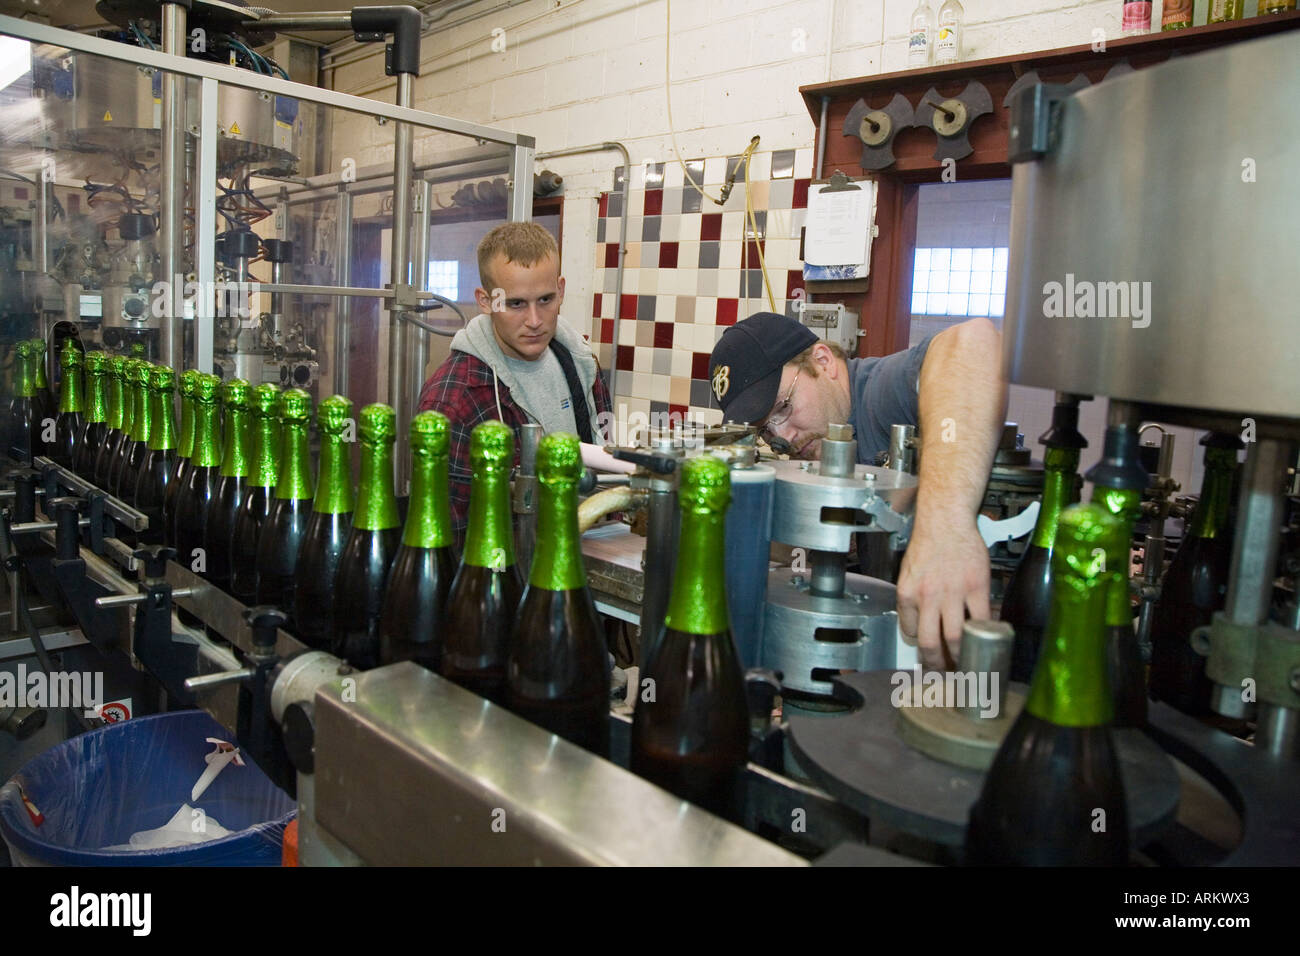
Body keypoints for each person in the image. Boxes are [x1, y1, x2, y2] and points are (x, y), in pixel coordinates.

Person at [708, 311, 1007, 670]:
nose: (782, 438)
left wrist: (945, 529)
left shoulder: (879, 393)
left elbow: (975, 341)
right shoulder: (807, 446)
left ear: (823, 362)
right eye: (765, 429)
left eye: (784, 408)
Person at [416, 222, 611, 547]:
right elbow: (449, 542)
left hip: (580, 561)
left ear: (561, 290)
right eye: (516, 304)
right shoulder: (455, 399)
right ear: (485, 300)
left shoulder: (579, 363)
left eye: (546, 300)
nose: (534, 321)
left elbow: (601, 475)